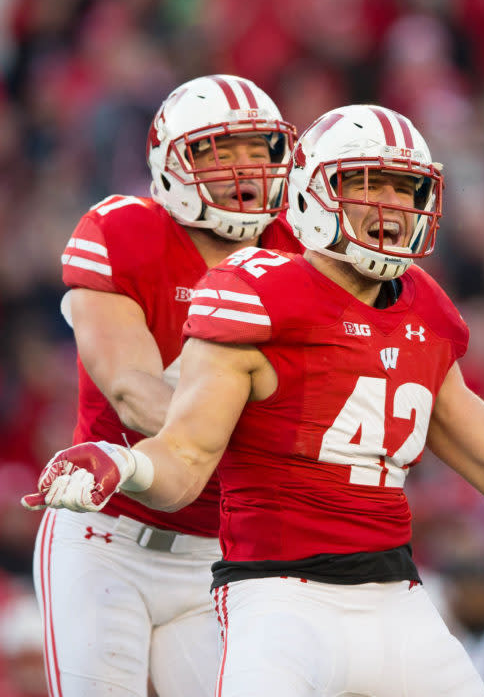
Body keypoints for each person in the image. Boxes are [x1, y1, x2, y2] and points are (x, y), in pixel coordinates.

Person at [22, 104, 484, 697]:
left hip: (396, 596)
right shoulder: (256, 296)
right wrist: (124, 464)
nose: (391, 205)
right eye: (367, 183)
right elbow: (187, 455)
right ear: (313, 190)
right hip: (279, 600)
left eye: (405, 186)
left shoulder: (425, 306)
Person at [26, 74, 301, 697]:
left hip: (221, 554)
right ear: (171, 161)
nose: (244, 168)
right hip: (107, 539)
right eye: (219, 151)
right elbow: (132, 389)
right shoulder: (126, 233)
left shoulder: (301, 257)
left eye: (258, 149)